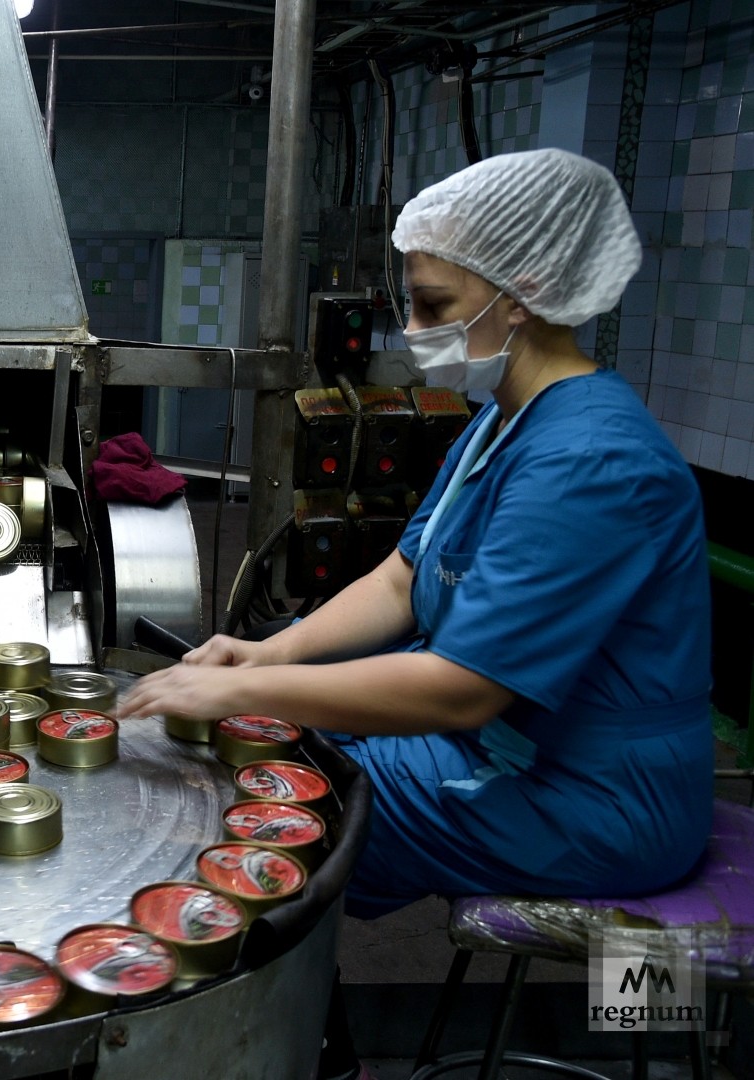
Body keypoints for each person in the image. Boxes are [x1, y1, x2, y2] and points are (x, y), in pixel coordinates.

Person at [118, 148, 714, 919]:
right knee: (268, 746)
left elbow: (462, 689)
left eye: (434, 305)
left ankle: (260, 1027)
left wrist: (239, 686)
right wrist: (269, 653)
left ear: (523, 293)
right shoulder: (505, 419)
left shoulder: (591, 461)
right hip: (509, 748)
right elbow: (405, 574)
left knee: (255, 818)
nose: (412, 328)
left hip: (589, 792)